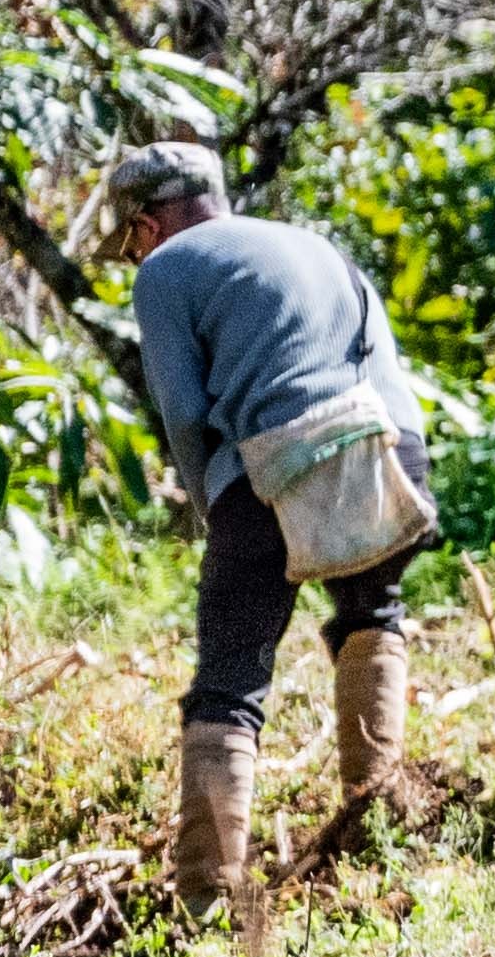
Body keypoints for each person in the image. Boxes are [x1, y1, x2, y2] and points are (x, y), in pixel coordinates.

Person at [101, 139, 436, 915]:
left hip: (274, 464)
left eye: (131, 240)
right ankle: (373, 822)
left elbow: (184, 411)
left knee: (231, 675)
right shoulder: (313, 244)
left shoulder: (165, 269)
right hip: (392, 452)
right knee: (370, 614)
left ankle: (206, 896)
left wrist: (212, 506)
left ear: (146, 224)